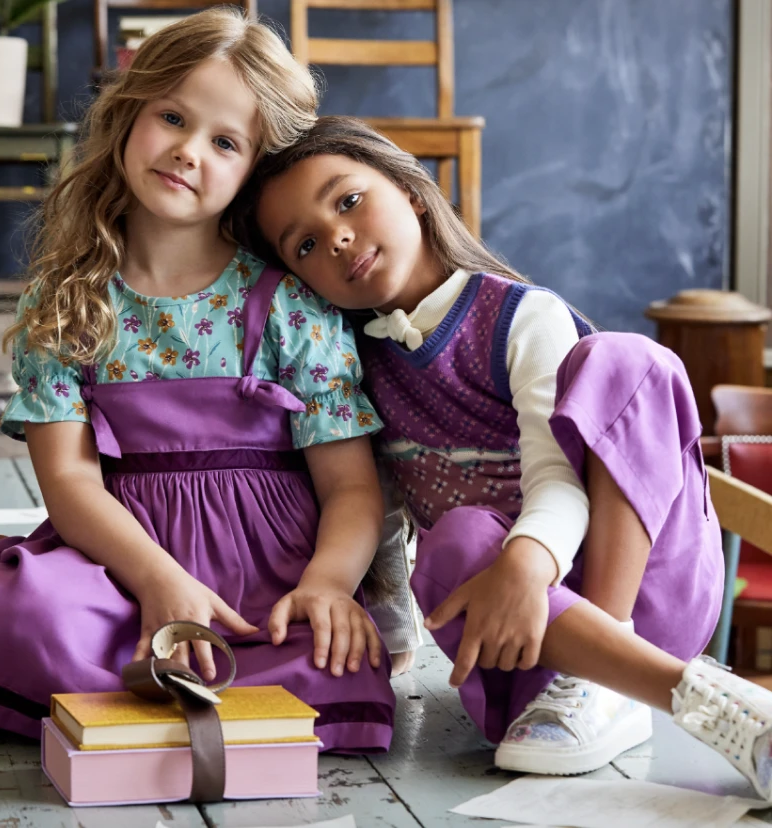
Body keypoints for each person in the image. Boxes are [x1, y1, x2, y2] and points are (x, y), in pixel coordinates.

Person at [229, 114, 772, 801]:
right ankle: (588, 686)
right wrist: (389, 640)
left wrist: (526, 561)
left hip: (633, 586)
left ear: (412, 192)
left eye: (348, 201)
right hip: (509, 639)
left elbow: (557, 477)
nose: (336, 236)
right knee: (455, 536)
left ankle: (613, 679)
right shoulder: (355, 364)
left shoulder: (518, 316)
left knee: (624, 359)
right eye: (305, 244)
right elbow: (383, 509)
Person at [0, 13, 398, 754]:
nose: (186, 150)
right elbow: (70, 485)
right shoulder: (66, 301)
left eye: (224, 141)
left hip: (264, 578)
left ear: (253, 171)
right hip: (117, 559)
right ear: (128, 113)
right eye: (171, 116)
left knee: (327, 661)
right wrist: (157, 582)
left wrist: (330, 584)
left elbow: (351, 489)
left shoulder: (290, 305)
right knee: (29, 608)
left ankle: (3, 689)